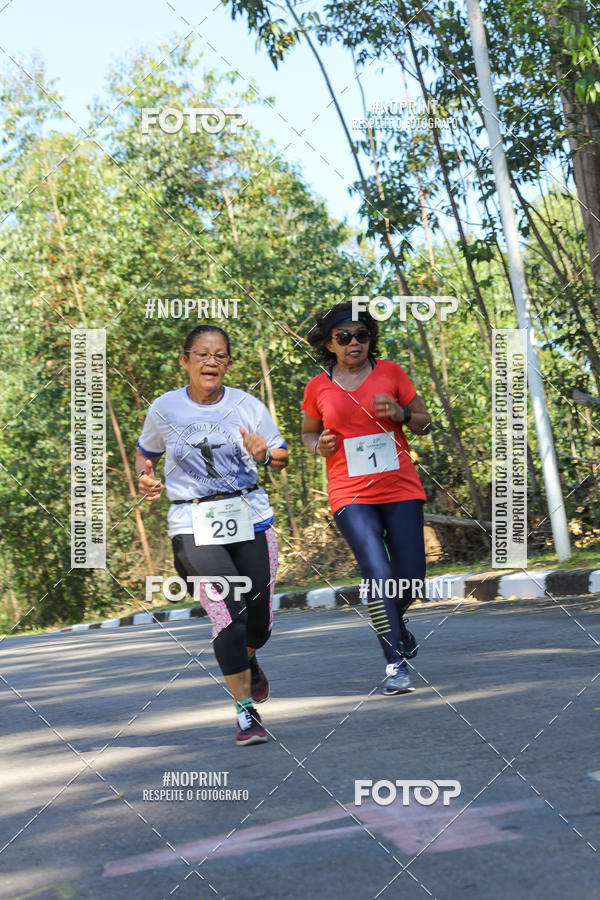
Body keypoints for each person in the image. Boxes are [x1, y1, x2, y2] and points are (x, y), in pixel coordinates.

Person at [136, 324, 289, 745]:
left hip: (250, 516)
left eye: (220, 355)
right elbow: (146, 455)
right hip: (193, 524)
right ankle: (246, 714)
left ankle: (249, 659)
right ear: (185, 360)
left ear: (229, 364)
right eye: (202, 354)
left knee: (258, 626)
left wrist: (266, 455)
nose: (211, 361)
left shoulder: (246, 405)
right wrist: (145, 481)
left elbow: (281, 455)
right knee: (229, 614)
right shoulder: (165, 408)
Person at [301, 302, 432, 694]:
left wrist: (401, 414)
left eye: (361, 335)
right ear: (330, 344)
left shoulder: (391, 372)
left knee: (411, 577)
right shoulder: (318, 386)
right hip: (350, 494)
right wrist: (318, 444)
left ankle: (395, 622)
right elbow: (308, 433)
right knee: (377, 572)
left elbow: (425, 422)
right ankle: (395, 664)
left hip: (400, 488)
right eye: (344, 337)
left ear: (369, 339)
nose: (354, 342)